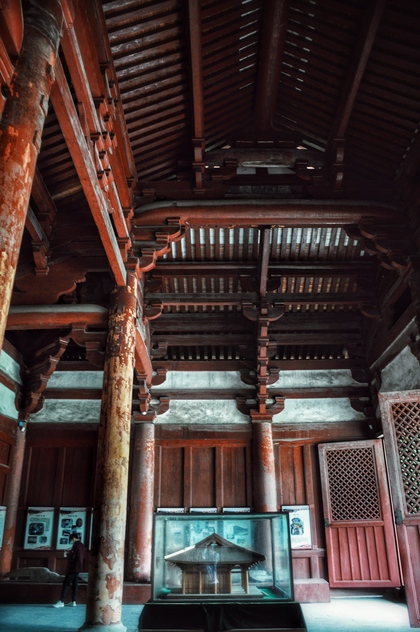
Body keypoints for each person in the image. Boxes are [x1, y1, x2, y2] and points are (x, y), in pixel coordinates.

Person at [53, 533, 86, 607]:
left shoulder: (76, 545)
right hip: (78, 568)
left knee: (66, 584)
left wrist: (67, 553)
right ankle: (73, 601)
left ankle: (61, 601)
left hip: (73, 568)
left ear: (73, 538)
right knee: (75, 584)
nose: (71, 541)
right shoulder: (82, 545)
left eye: (71, 539)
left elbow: (73, 556)